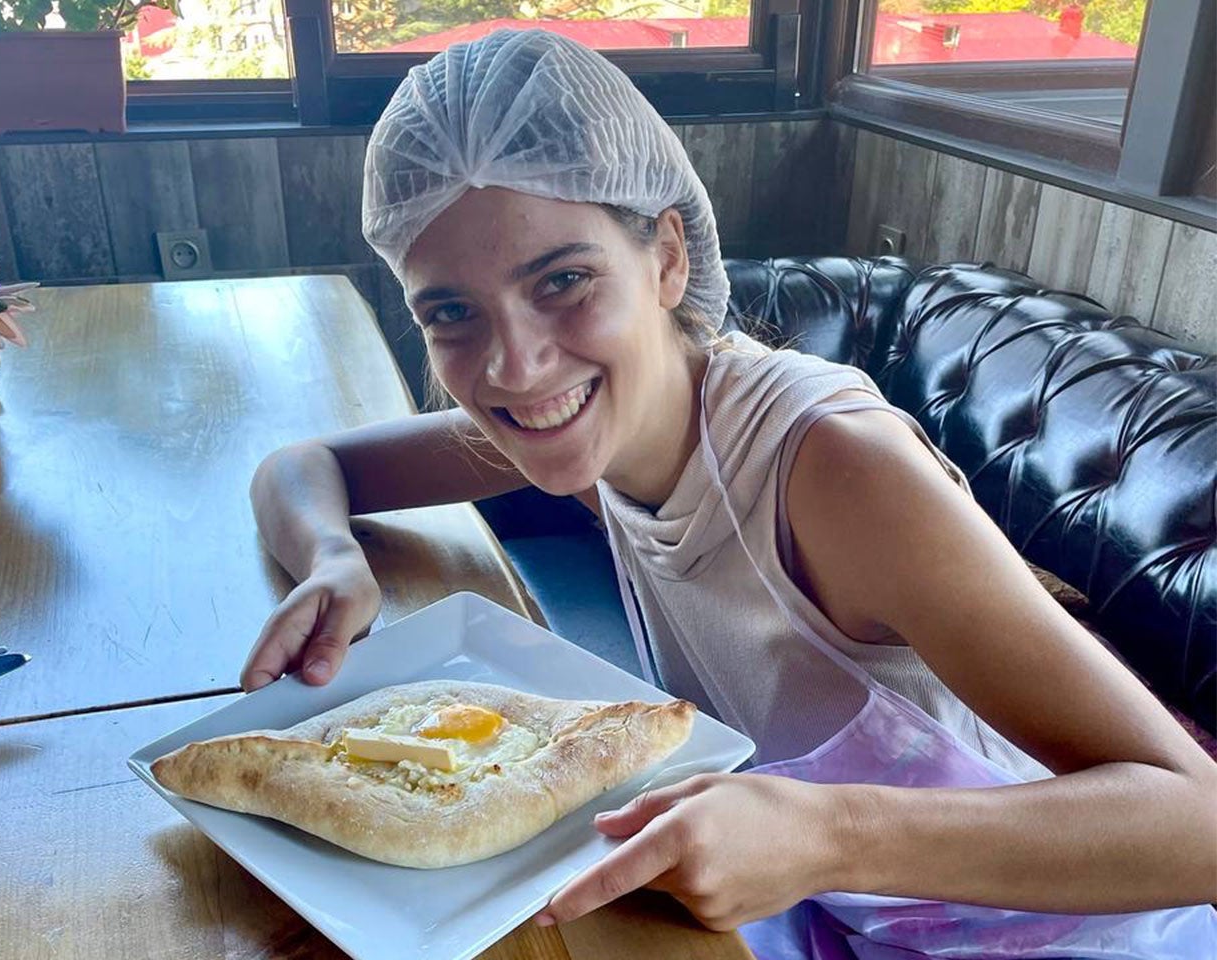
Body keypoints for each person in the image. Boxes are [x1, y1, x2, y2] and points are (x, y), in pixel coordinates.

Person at [239, 29, 1216, 957]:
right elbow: (299, 468)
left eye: (563, 280)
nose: (511, 362)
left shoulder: (832, 468)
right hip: (842, 917)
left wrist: (832, 832)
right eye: (448, 312)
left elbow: (1195, 823)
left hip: (1080, 928)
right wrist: (332, 558)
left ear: (666, 257)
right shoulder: (573, 423)